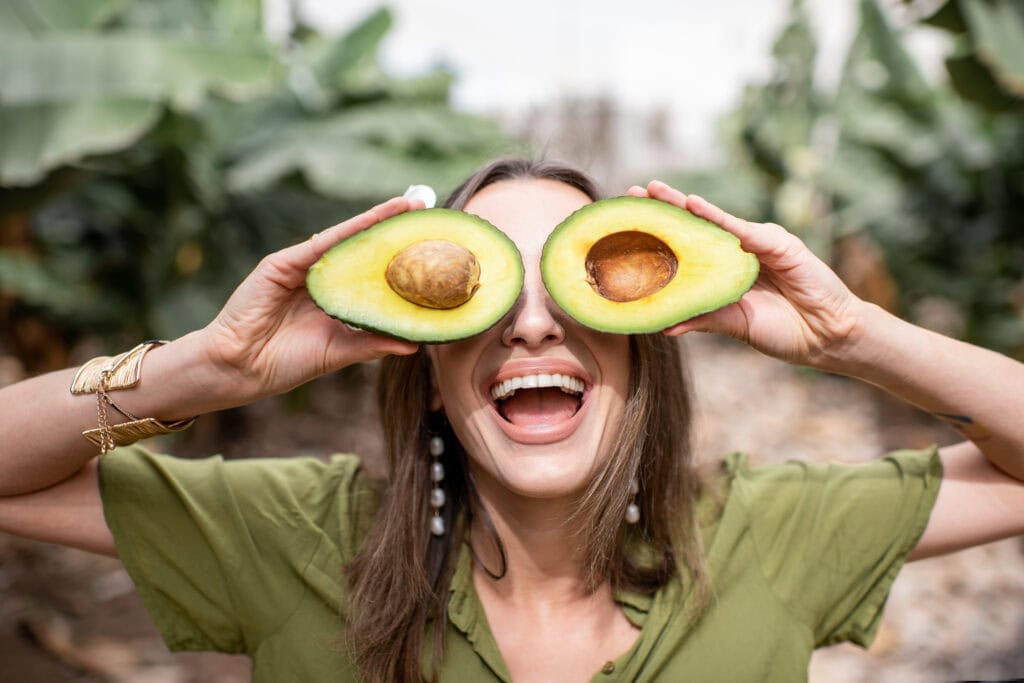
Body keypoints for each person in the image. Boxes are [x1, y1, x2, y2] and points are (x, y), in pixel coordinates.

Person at [1, 157, 1023, 683]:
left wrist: (854, 334)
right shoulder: (303, 532)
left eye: (576, 286)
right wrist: (200, 367)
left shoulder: (769, 529)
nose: (532, 319)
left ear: (641, 347)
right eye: (483, 289)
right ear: (428, 365)